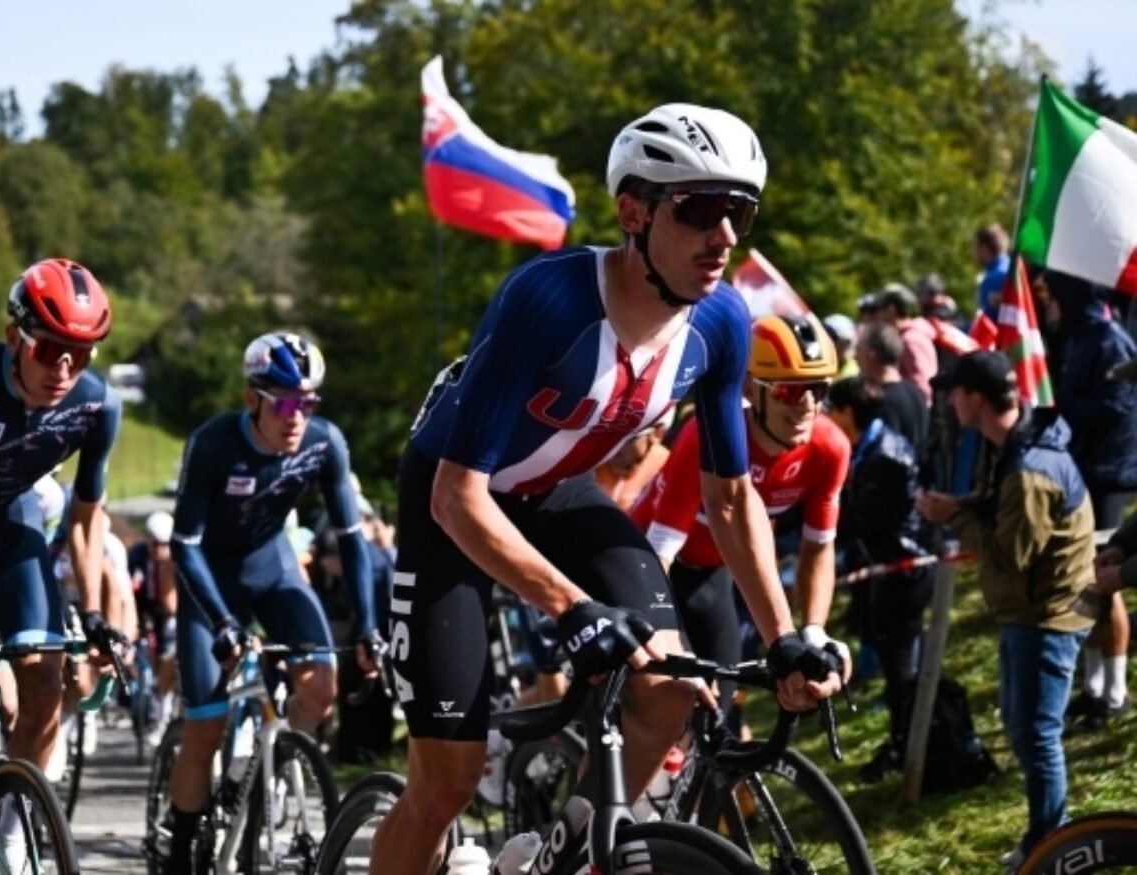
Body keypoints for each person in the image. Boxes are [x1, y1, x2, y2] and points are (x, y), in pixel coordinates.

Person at [375, 104, 843, 875]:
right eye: (699, 209)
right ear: (634, 211)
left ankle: (561, 859)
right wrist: (572, 608)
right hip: (455, 503)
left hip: (559, 494)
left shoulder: (722, 323)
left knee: (670, 688)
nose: (724, 234)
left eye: (740, 212)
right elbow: (458, 497)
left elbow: (729, 499)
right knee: (445, 787)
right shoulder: (549, 300)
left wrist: (785, 632)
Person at [163, 332, 383, 872]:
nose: (296, 417)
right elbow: (183, 546)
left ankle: (275, 762)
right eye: (284, 402)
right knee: (205, 725)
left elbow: (354, 540)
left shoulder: (324, 443)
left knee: (322, 686)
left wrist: (370, 626)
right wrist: (221, 623)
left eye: (307, 404)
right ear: (251, 399)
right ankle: (181, 846)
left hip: (272, 567)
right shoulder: (213, 444)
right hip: (209, 577)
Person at [0, 258, 126, 866]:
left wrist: (94, 612)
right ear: (15, 335)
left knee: (48, 677)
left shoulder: (97, 407)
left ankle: (9, 823)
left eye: (83, 352)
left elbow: (87, 518)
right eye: (50, 350)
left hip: (7, 530)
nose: (65, 369)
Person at [630, 313, 852, 728]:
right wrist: (667, 639)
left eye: (818, 390)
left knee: (719, 714)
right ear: (751, 389)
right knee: (664, 705)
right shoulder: (707, 435)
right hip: (648, 565)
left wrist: (815, 630)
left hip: (713, 574)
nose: (805, 406)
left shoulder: (829, 449)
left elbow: (818, 548)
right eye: (788, 391)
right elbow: (659, 554)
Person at [916, 350, 1094, 867]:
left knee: (1037, 737)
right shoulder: (1016, 448)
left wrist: (954, 520)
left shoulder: (1029, 470)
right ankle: (1047, 836)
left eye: (953, 393)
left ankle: (1053, 845)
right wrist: (961, 506)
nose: (949, 403)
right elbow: (1002, 515)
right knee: (1022, 728)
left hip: (1047, 617)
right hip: (1031, 613)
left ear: (974, 399)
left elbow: (1008, 555)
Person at [825, 376, 936, 781]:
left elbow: (865, 522)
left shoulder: (883, 456)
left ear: (848, 413)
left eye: (830, 408)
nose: (824, 416)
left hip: (905, 572)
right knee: (895, 662)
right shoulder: (868, 447)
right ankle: (903, 741)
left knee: (901, 666)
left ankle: (910, 748)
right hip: (885, 569)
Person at [1044, 270, 1137, 733]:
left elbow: (1119, 409)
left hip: (1110, 474)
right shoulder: (1079, 339)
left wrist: (1066, 410)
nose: (1047, 307)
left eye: (1052, 297)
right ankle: (1094, 687)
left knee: (1105, 582)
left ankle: (1115, 691)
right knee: (1087, 580)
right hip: (1085, 471)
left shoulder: (1110, 341)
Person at [128, 509, 180, 739]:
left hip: (172, 615)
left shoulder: (176, 558)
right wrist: (136, 623)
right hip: (146, 611)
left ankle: (163, 712)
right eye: (155, 543)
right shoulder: (137, 556)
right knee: (146, 660)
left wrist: (166, 567)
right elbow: (127, 591)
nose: (159, 549)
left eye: (165, 544)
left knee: (168, 657)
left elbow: (172, 606)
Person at [855, 321, 929, 452]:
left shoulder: (883, 402)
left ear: (870, 355)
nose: (855, 358)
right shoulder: (917, 393)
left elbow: (884, 456)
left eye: (859, 351)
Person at [876, 283, 938, 405]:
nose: (878, 315)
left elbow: (921, 385)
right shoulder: (911, 335)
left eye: (880, 309)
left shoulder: (910, 340)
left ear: (891, 309)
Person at [973, 224, 1011, 322]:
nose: (974, 253)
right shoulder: (1012, 269)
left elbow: (987, 324)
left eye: (976, 248)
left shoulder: (993, 279)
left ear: (984, 249)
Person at [821, 313, 859, 378]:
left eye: (849, 342)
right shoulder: (819, 369)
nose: (849, 346)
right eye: (844, 342)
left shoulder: (855, 373)